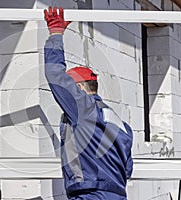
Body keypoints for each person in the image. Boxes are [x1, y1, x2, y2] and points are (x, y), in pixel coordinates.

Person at [44, 7, 133, 200]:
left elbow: (55, 74)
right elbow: (127, 170)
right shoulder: (121, 125)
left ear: (80, 88)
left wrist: (56, 33)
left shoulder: (83, 107)